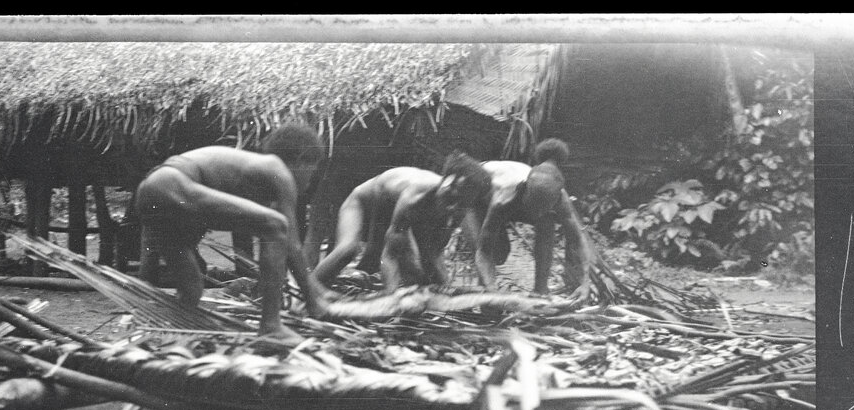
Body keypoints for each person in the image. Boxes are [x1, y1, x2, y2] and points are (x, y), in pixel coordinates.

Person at [134, 122, 330, 345]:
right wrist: (313, 300)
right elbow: (290, 243)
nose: (309, 182)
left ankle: (164, 337)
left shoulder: (252, 175)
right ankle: (271, 326)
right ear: (301, 160)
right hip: (171, 184)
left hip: (152, 193)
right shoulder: (278, 169)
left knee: (191, 291)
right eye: (312, 172)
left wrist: (315, 290)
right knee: (277, 226)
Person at [311, 151, 491, 289]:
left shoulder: (458, 209)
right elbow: (390, 254)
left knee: (419, 270)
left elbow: (434, 254)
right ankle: (308, 290)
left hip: (388, 211)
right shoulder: (416, 195)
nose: (453, 208)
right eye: (452, 198)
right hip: (362, 204)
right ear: (446, 182)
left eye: (462, 203)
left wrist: (446, 291)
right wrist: (393, 299)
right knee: (347, 250)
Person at [457, 139, 594, 300]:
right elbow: (484, 251)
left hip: (512, 199)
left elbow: (578, 240)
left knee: (547, 222)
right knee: (496, 253)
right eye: (534, 206)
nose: (537, 213)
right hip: (475, 196)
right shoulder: (503, 197)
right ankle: (486, 299)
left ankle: (540, 290)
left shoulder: (560, 199)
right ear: (524, 191)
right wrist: (491, 290)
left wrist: (585, 283)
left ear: (556, 199)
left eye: (543, 207)